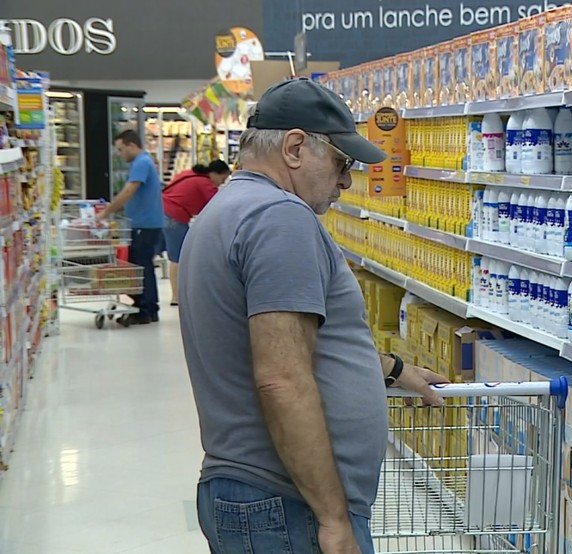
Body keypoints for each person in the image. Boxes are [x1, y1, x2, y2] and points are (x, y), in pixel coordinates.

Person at [178, 78, 447, 554]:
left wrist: (392, 369)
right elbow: (280, 377)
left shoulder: (229, 209)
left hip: (257, 493)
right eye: (342, 163)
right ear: (296, 147)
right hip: (287, 504)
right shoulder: (279, 218)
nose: (346, 181)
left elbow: (284, 340)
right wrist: (333, 517)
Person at [97, 129, 164, 325]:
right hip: (145, 223)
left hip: (145, 224)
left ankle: (145, 309)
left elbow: (128, 191)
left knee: (141, 267)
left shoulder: (141, 162)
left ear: (131, 145)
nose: (120, 154)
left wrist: (106, 212)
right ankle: (148, 308)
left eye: (121, 149)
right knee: (144, 266)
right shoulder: (143, 161)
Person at [162, 160, 230, 305]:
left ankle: (179, 294)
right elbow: (219, 206)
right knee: (178, 257)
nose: (220, 183)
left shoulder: (188, 173)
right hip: (174, 215)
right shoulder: (206, 184)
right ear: (215, 174)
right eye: (222, 179)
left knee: (176, 255)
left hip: (162, 210)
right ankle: (176, 296)